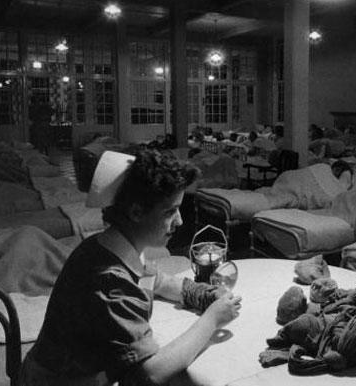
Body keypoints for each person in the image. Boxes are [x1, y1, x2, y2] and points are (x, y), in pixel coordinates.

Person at [20, 150, 242, 386]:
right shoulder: (110, 279)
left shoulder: (113, 245)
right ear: (136, 212)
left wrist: (204, 294)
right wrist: (212, 319)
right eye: (169, 211)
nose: (180, 221)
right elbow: (149, 375)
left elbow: (159, 281)